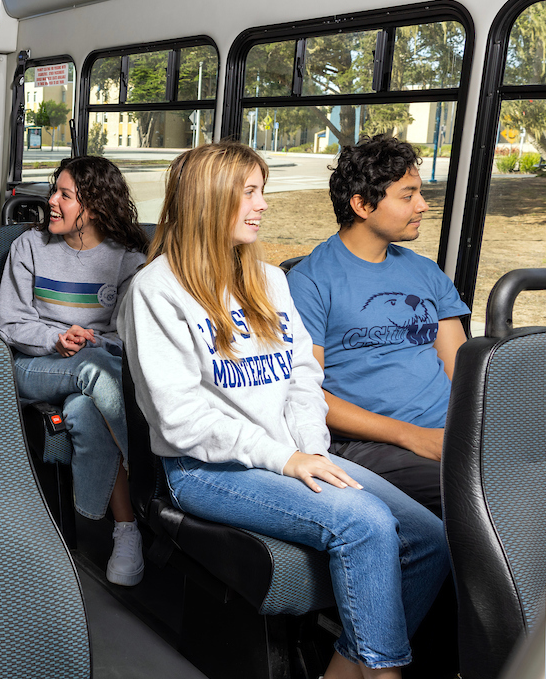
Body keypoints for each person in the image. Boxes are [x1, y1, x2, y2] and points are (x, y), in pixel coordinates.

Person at [119, 142, 448, 678]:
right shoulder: (155, 289)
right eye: (251, 192)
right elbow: (180, 419)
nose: (264, 204)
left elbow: (302, 379)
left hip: (290, 453)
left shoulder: (269, 280)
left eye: (262, 192)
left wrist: (311, 452)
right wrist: (286, 460)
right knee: (364, 521)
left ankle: (343, 671)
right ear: (210, 199)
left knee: (430, 540)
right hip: (207, 470)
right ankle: (385, 675)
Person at [286, 135, 469, 515]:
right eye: (408, 196)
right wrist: (413, 436)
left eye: (419, 194)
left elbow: (462, 372)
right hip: (373, 444)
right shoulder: (310, 281)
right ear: (363, 204)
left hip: (449, 433)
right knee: (475, 497)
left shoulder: (425, 272)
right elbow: (306, 395)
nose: (422, 206)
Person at [0, 155, 150, 586]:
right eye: (54, 192)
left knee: (85, 409)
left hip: (99, 366)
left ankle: (122, 531)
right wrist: (56, 340)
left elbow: (132, 334)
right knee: (92, 370)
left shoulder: (127, 259)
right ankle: (150, 479)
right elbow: (11, 324)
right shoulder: (28, 247)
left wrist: (95, 341)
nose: (52, 202)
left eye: (65, 195)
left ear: (96, 206)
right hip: (33, 366)